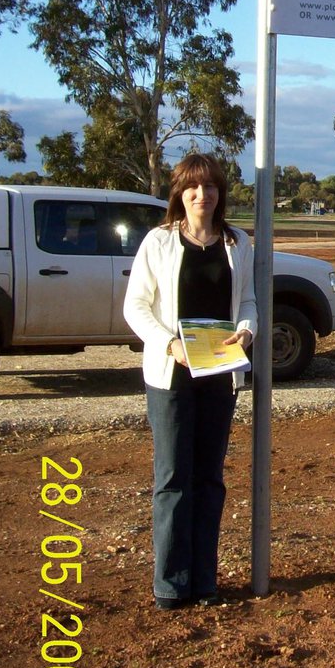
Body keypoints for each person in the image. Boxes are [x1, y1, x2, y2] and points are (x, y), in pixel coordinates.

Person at [124, 153, 256, 609]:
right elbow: (135, 307)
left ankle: (204, 581)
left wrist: (247, 330)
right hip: (171, 378)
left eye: (212, 187)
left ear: (220, 194)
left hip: (219, 374)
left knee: (209, 479)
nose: (203, 196)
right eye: (194, 188)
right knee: (174, 478)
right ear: (180, 194)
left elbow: (250, 301)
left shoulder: (238, 243)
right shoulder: (158, 242)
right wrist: (169, 343)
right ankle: (170, 585)